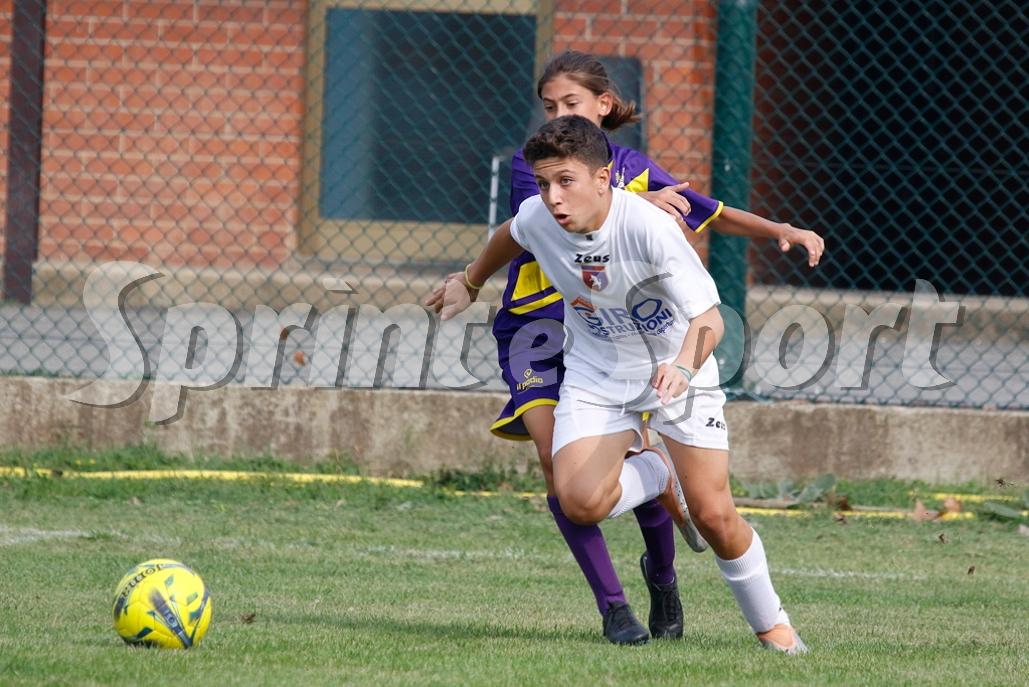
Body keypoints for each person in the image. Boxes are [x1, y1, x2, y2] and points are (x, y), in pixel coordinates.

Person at [428, 50, 823, 646]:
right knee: (579, 501)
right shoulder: (539, 216)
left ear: (602, 177)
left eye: (565, 182)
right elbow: (509, 233)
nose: (552, 197)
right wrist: (470, 280)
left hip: (676, 369)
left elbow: (709, 320)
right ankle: (656, 470)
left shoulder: (650, 226)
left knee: (714, 515)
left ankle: (775, 629)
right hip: (598, 374)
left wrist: (683, 367)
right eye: (544, 183)